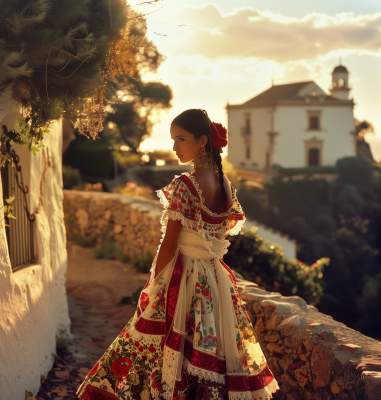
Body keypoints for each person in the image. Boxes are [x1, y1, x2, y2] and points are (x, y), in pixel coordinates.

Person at [76, 109, 279, 400]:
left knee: (149, 346)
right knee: (208, 357)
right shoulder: (226, 187)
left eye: (181, 139)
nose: (175, 147)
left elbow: (169, 244)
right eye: (173, 140)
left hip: (182, 277)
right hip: (215, 283)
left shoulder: (186, 186)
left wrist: (154, 284)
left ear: (203, 142)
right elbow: (217, 236)